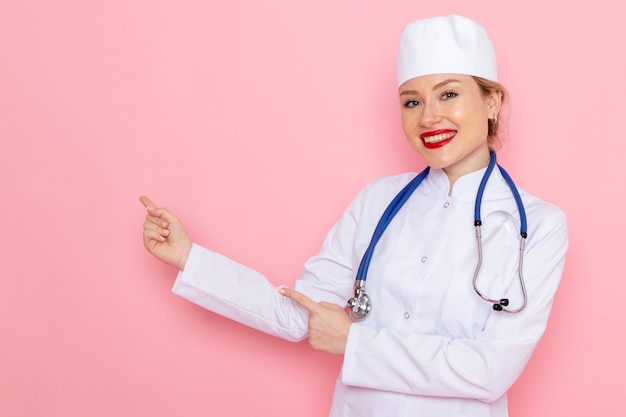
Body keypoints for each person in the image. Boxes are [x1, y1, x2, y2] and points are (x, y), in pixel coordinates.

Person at [140, 14, 568, 417]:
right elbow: (301, 315)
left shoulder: (538, 225)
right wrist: (190, 258)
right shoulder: (376, 201)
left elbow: (490, 370)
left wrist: (356, 344)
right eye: (411, 101)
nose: (429, 116)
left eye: (449, 94)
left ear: (492, 102)